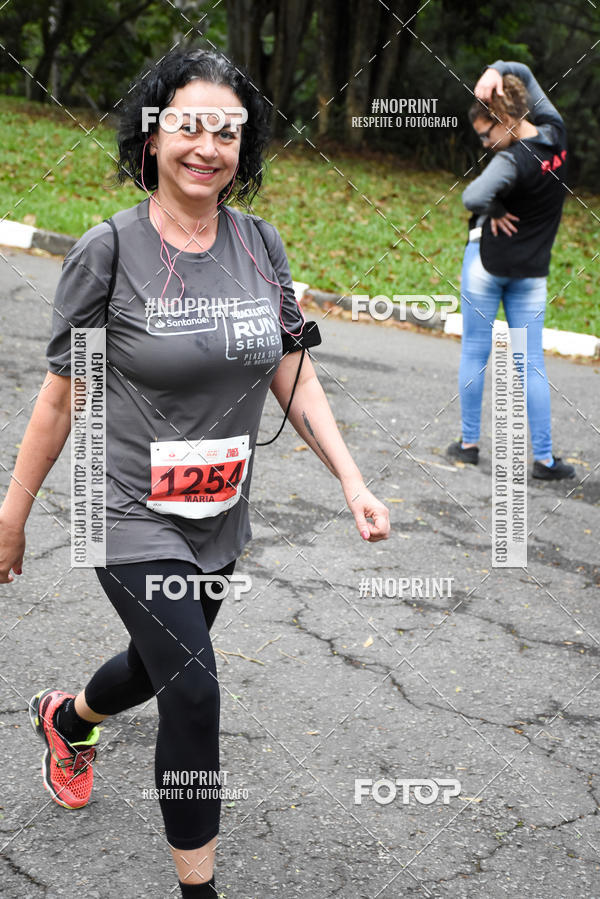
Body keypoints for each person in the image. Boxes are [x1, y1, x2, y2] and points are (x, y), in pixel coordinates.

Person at [0, 48, 390, 896]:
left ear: (243, 149)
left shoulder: (259, 244)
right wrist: (13, 509)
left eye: (227, 129)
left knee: (158, 664)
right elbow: (62, 400)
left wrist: (352, 480)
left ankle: (67, 719)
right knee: (196, 691)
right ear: (151, 137)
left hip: (218, 510)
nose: (207, 144)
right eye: (188, 124)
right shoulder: (109, 251)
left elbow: (294, 369)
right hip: (128, 508)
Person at [447, 60, 575, 480]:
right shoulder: (554, 133)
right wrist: (499, 69)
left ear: (503, 119)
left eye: (487, 133)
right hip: (531, 271)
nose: (484, 142)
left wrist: (495, 207)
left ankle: (468, 446)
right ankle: (544, 460)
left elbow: (471, 196)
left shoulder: (510, 162)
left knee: (475, 353)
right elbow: (526, 75)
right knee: (531, 363)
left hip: (487, 264)